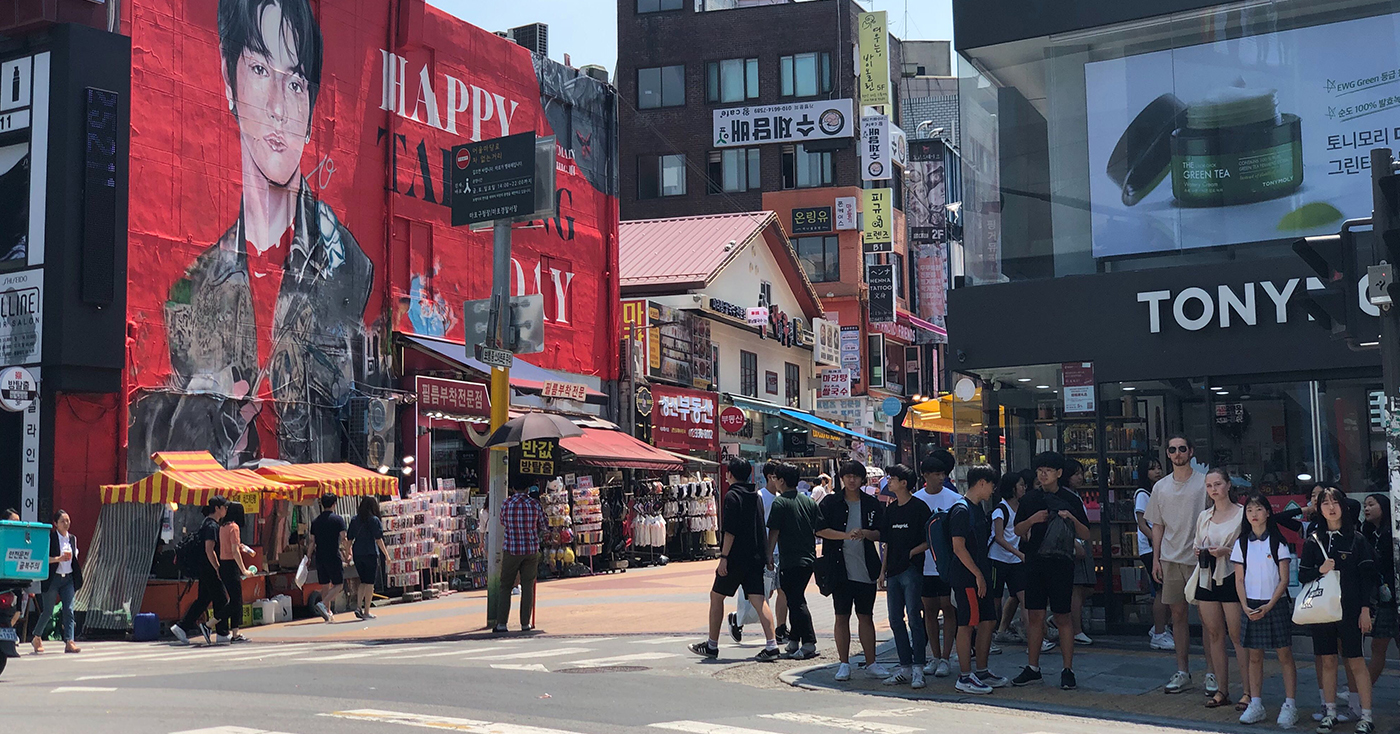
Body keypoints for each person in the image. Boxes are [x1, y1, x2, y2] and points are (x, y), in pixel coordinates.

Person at [131, 0, 374, 468]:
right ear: (228, 78)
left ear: (312, 105)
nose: (279, 108)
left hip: (311, 501)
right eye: (261, 69)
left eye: (296, 82)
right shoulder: (190, 292)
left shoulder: (349, 267)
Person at [1299, 485, 1377, 734]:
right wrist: (1319, 570)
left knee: (1356, 661)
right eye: (1325, 503)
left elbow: (1367, 577)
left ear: (1343, 506)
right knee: (1328, 660)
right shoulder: (1313, 541)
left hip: (1351, 610)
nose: (1331, 508)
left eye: (1335, 502)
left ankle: (1366, 715)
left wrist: (1366, 609)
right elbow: (1302, 575)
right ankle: (1329, 712)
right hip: (1322, 611)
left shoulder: (1357, 539)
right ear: (1319, 509)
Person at [1011, 451, 1091, 690]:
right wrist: (1032, 520)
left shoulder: (1070, 499)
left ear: (1058, 473)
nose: (1042, 475)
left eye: (1047, 470)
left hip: (1061, 563)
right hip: (1034, 562)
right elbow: (1017, 530)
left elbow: (1086, 533)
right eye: (1039, 470)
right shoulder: (1029, 499)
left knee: (1062, 616)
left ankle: (1068, 670)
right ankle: (1033, 668)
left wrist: (1071, 518)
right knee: (1035, 615)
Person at [690, 457, 779, 661]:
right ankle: (772, 645)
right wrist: (766, 556)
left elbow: (730, 531)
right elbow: (760, 527)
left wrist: (724, 557)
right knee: (759, 600)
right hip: (755, 557)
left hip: (736, 558)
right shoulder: (755, 495)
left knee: (716, 596)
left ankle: (712, 645)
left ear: (729, 474)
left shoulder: (732, 496)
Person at [1146, 435, 1209, 695]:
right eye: (1172, 449)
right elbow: (1157, 525)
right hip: (1170, 558)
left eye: (1182, 448)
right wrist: (1156, 559)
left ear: (1191, 451)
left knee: (1208, 619)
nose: (1177, 453)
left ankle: (1213, 673)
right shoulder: (1160, 487)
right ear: (1168, 454)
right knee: (1178, 616)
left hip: (1200, 558)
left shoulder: (1204, 483)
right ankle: (1183, 671)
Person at [817, 461, 890, 682]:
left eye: (856, 476)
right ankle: (844, 663)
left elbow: (881, 533)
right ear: (841, 478)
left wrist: (865, 533)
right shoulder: (830, 502)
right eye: (847, 476)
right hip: (838, 567)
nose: (851, 480)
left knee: (866, 616)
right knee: (841, 616)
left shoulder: (871, 503)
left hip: (866, 567)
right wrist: (846, 535)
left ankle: (871, 663)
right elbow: (820, 530)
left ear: (862, 479)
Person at [1231, 491, 1298, 728]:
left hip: (1274, 604)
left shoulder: (1278, 542)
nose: (1254, 514)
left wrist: (1269, 605)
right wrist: (1245, 606)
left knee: (1284, 654)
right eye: (1249, 510)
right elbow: (1239, 579)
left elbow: (1284, 579)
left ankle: (1290, 704)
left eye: (1259, 509)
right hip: (1251, 603)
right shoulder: (1241, 543)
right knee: (1254, 656)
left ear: (1268, 513)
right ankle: (1256, 703)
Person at [950, 466, 1009, 694]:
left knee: (987, 621)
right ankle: (965, 676)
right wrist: (977, 574)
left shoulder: (976, 509)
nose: (993, 490)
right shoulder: (961, 510)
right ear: (982, 482)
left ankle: (982, 671)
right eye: (992, 485)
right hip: (967, 578)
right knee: (967, 624)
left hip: (981, 574)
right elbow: (958, 547)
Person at [877, 463, 932, 688]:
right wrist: (882, 571)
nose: (889, 481)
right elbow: (887, 542)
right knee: (895, 619)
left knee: (914, 618)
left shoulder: (919, 507)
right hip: (893, 571)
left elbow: (929, 540)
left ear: (904, 483)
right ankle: (905, 666)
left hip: (912, 569)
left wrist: (911, 553)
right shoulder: (891, 509)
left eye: (893, 478)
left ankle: (918, 667)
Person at [1194, 468, 1245, 711]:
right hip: (1207, 574)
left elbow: (1248, 548)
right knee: (1214, 633)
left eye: (1218, 484)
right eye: (1209, 485)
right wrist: (1200, 551)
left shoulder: (1242, 513)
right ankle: (1222, 690)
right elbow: (1197, 543)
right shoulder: (1204, 516)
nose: (1213, 489)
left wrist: (1227, 551)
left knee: (1237, 635)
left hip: (1232, 573)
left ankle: (1248, 692)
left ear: (1228, 485)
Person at [764, 460, 820, 659]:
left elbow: (774, 532)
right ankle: (794, 640)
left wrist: (769, 555)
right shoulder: (808, 501)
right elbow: (818, 527)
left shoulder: (780, 502)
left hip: (790, 559)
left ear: (781, 480)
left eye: (775, 478)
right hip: (808, 558)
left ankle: (809, 643)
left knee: (796, 601)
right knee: (795, 597)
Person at [914, 452, 960, 677]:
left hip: (947, 565)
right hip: (924, 565)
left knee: (949, 608)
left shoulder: (954, 499)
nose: (941, 478)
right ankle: (934, 655)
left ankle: (946, 657)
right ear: (925, 475)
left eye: (943, 473)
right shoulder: (916, 499)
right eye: (936, 474)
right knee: (929, 611)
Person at [729, 464, 785, 645]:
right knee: (763, 593)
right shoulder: (759, 496)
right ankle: (738, 619)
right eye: (777, 476)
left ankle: (780, 629)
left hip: (779, 551)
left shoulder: (780, 498)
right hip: (764, 552)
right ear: (769, 477)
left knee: (780, 591)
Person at [172, 496, 230, 645]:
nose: (226, 509)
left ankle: (182, 627)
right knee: (222, 600)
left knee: (203, 599)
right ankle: (222, 633)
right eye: (224, 507)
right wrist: (217, 568)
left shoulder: (206, 523)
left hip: (204, 568)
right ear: (217, 508)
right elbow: (209, 549)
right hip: (209, 568)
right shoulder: (211, 526)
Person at [1135, 457, 1173, 651]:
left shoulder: (1158, 491)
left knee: (1168, 590)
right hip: (1151, 549)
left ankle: (1160, 628)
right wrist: (1157, 543)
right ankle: (1159, 633)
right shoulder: (1142, 494)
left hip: (1161, 546)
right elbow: (1142, 524)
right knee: (1161, 590)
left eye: (1158, 467)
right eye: (1152, 469)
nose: (1157, 471)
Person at [497, 480, 546, 633]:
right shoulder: (535, 504)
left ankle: (502, 623)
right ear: (527, 489)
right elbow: (544, 525)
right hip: (531, 549)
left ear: (513, 488)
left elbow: (502, 521)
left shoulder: (506, 504)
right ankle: (525, 623)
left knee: (505, 586)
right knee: (527, 587)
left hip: (511, 549)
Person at [31, 509, 82, 654]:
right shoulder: (50, 538)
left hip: (68, 578)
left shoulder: (72, 538)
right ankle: (37, 636)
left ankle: (69, 641)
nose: (66, 523)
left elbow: (75, 557)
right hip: (53, 578)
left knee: (69, 609)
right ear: (56, 524)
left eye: (67, 520)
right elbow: (43, 559)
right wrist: (58, 559)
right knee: (48, 611)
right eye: (62, 521)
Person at [1060, 459, 1096, 648]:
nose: (1080, 477)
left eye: (1081, 473)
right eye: (1076, 474)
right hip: (1074, 542)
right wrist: (1076, 542)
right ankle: (1076, 629)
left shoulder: (1074, 495)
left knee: (1085, 588)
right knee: (1077, 588)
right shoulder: (1065, 496)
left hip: (1081, 540)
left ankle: (1062, 621)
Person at [1362, 493, 1396, 686]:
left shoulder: (1392, 532)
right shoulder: (1367, 533)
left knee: (1380, 644)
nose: (1366, 508)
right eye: (1365, 505)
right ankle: (1363, 689)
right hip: (1384, 598)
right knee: (1378, 645)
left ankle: (1363, 689)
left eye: (1371, 504)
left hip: (1393, 594)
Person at [991, 471, 1027, 645]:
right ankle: (989, 636)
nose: (1024, 488)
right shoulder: (1001, 509)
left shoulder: (1021, 507)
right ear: (1012, 488)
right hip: (998, 559)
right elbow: (999, 537)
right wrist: (1018, 553)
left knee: (1024, 597)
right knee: (995, 600)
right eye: (1021, 485)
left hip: (1015, 560)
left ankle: (1033, 636)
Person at [306, 493, 348, 624]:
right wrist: (348, 553)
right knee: (338, 584)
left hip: (319, 556)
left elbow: (312, 541)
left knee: (325, 585)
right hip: (333, 555)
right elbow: (344, 538)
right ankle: (323, 604)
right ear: (334, 504)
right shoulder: (338, 520)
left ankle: (327, 613)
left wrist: (308, 556)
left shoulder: (315, 522)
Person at [348, 496, 389, 622]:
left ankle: (358, 607)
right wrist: (387, 555)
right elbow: (378, 539)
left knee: (363, 581)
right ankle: (366, 611)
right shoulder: (374, 520)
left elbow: (349, 538)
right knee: (370, 583)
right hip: (370, 552)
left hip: (358, 553)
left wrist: (348, 552)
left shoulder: (354, 520)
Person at [218, 502, 254, 644]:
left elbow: (232, 546)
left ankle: (235, 632)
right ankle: (210, 623)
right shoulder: (234, 527)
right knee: (236, 600)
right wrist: (243, 569)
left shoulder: (222, 527)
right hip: (231, 564)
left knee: (235, 599)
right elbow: (234, 551)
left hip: (223, 564)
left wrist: (241, 547)